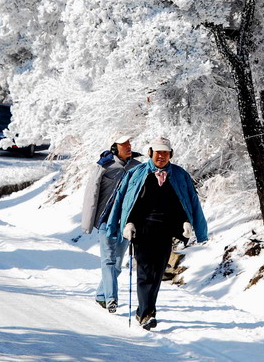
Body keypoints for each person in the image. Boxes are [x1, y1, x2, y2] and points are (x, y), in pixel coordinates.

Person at [107, 136, 208, 330]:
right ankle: (147, 314)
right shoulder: (137, 173)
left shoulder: (179, 175)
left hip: (165, 231)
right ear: (150, 153)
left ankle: (144, 310)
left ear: (170, 154)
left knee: (158, 273)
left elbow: (188, 202)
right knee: (145, 272)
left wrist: (188, 223)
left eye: (165, 153)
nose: (161, 156)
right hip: (142, 230)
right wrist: (126, 224)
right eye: (158, 152)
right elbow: (124, 201)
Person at [81, 132, 140, 313]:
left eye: (129, 143)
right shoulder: (103, 166)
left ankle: (101, 295)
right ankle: (111, 298)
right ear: (114, 147)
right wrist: (88, 223)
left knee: (117, 262)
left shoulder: (137, 167)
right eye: (124, 144)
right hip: (106, 220)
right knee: (108, 259)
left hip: (126, 223)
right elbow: (91, 194)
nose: (128, 146)